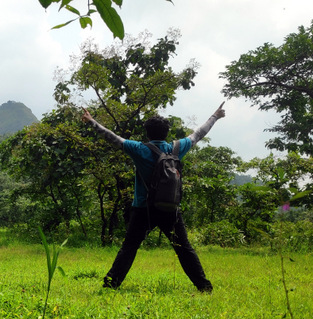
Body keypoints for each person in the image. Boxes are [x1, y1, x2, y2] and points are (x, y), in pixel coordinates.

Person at [82, 102, 226, 292]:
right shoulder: (176, 148)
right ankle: (204, 287)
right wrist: (215, 115)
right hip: (170, 209)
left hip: (143, 209)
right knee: (184, 249)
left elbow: (112, 137)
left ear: (147, 133)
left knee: (130, 247)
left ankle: (111, 284)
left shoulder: (139, 149)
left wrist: (91, 121)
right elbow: (198, 134)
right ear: (167, 132)